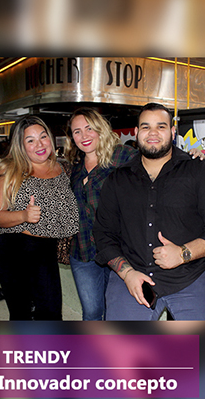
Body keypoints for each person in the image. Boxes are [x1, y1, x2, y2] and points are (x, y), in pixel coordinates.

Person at [93, 103, 205, 321]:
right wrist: (127, 274)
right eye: (146, 127)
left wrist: (183, 253)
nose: (153, 133)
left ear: (173, 132)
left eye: (161, 126)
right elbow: (104, 234)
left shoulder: (200, 171)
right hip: (132, 278)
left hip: (191, 276)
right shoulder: (117, 180)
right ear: (136, 133)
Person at [0, 116, 79, 320]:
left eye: (43, 137)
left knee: (51, 314)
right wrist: (23, 215)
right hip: (15, 251)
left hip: (46, 250)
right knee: (23, 314)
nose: (39, 144)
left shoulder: (63, 168)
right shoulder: (10, 170)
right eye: (30, 140)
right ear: (21, 146)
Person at [64, 108, 138, 320]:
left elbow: (157, 164)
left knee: (117, 313)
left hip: (118, 250)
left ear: (100, 129)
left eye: (89, 128)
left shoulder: (123, 156)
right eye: (77, 131)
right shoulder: (75, 166)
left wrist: (191, 157)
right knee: (92, 313)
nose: (84, 136)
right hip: (83, 251)